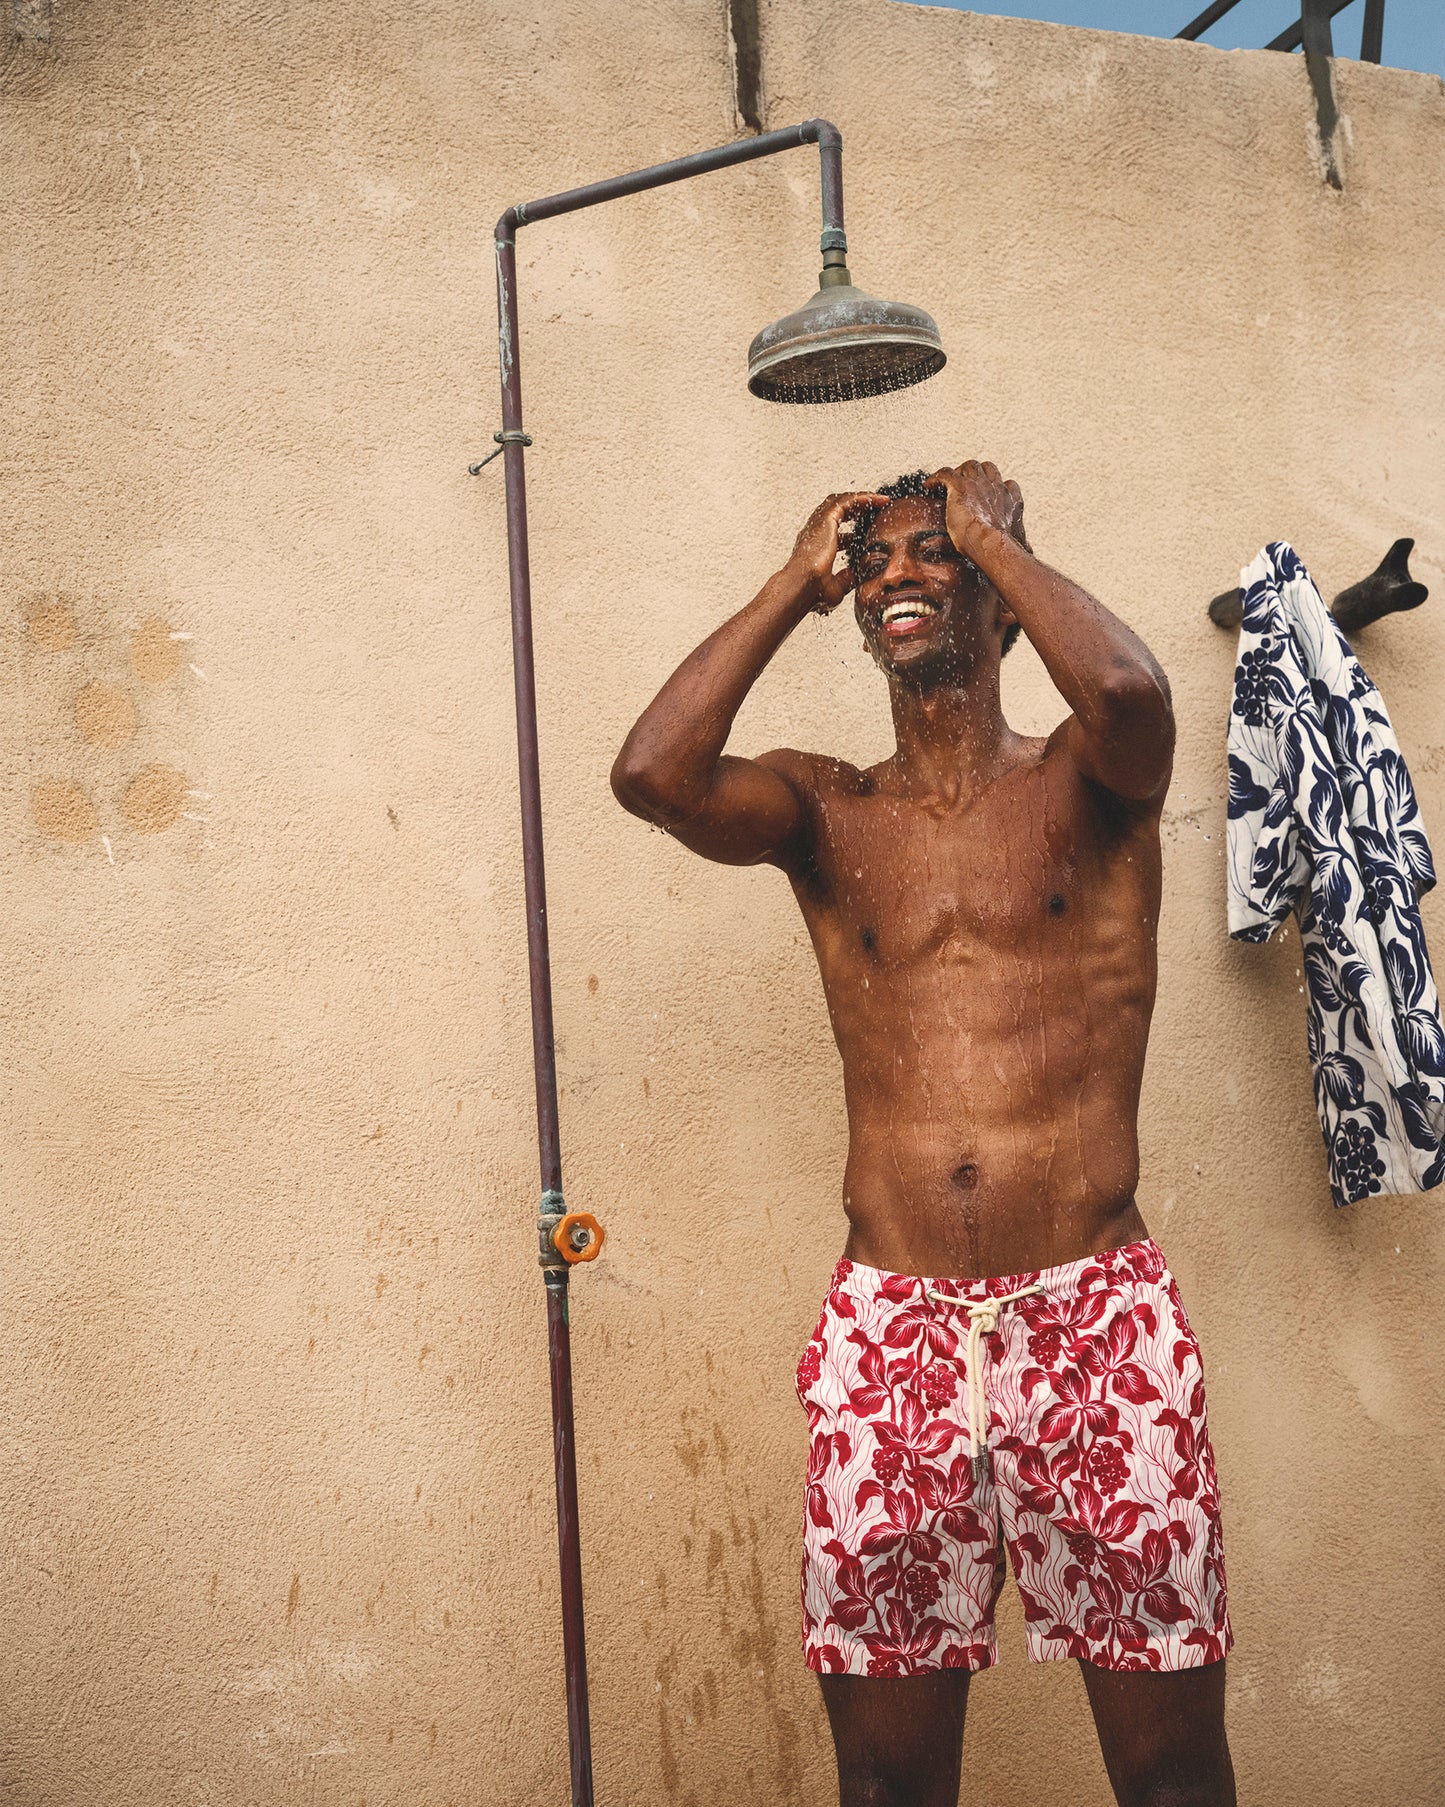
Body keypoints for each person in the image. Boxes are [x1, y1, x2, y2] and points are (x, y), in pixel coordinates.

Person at [611, 461, 1234, 1807]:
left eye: (928, 554)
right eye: (876, 560)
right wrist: (793, 581)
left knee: (1170, 1766)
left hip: (1094, 1323)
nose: (896, 573)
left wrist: (993, 540)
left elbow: (1130, 693)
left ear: (1001, 596)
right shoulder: (827, 808)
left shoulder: (1092, 779)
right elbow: (653, 776)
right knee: (887, 1784)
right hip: (889, 1334)